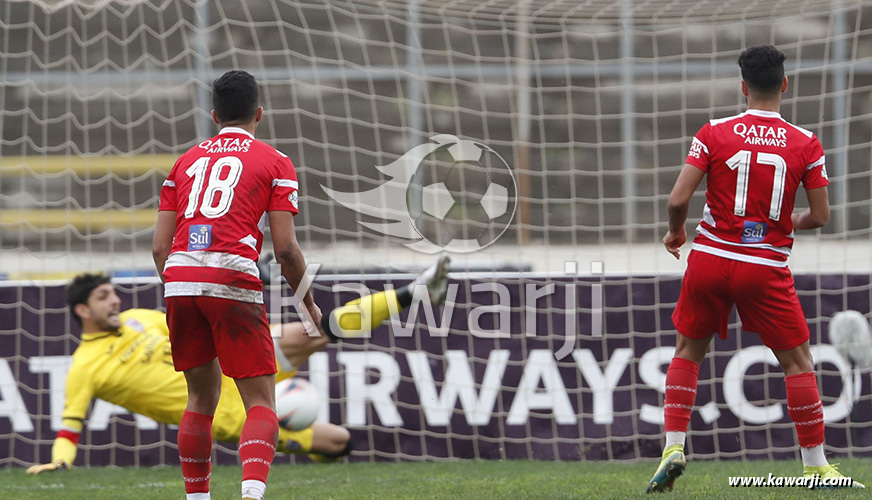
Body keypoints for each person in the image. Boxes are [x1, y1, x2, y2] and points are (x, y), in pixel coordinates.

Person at [647, 45, 864, 492]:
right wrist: (789, 223)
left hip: (709, 258)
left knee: (689, 350)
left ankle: (672, 446)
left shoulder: (713, 132)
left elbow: (677, 200)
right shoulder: (806, 143)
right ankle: (816, 468)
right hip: (762, 263)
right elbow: (821, 217)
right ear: (784, 84)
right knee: (798, 363)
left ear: (742, 87)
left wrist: (675, 232)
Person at [25, 256, 449, 475]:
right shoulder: (85, 365)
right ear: (82, 310)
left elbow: (195, 328)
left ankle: (415, 292)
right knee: (337, 441)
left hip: (234, 367)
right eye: (102, 298)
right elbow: (70, 424)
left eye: (112, 292)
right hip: (228, 414)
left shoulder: (140, 318)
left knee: (314, 328)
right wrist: (61, 460)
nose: (114, 299)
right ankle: (313, 457)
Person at [152, 69, 323, 500]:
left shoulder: (184, 162)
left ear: (213, 115)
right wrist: (308, 307)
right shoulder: (275, 162)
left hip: (180, 279)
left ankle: (197, 498)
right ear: (259, 113)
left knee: (199, 401)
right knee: (261, 402)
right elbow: (285, 249)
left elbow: (159, 249)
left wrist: (184, 287)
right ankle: (250, 496)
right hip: (232, 277)